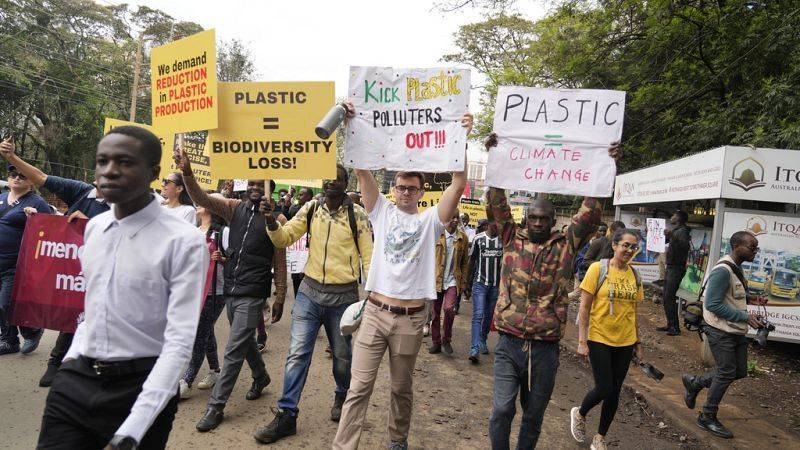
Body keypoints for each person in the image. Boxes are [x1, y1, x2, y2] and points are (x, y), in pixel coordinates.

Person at [37, 125, 209, 449]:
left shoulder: (184, 241)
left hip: (142, 387)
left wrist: (132, 430)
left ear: (153, 173)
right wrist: (69, 365)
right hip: (76, 382)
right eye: (103, 161)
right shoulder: (96, 228)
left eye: (125, 162)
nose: (109, 171)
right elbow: (93, 310)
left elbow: (178, 343)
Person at [332, 102, 473, 450]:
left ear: (422, 192)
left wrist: (462, 139)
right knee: (359, 388)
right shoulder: (380, 212)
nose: (405, 192)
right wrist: (353, 124)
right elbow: (362, 170)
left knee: (400, 388)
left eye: (412, 188)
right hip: (376, 313)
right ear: (393, 188)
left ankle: (398, 439)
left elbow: (458, 183)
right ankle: (342, 446)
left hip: (411, 319)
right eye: (400, 187)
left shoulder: (430, 222)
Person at [485, 132, 619, 449]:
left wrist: (605, 163)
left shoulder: (566, 246)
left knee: (533, 417)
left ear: (552, 220)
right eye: (533, 217)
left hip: (545, 348)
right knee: (502, 410)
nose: (539, 222)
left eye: (545, 218)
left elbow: (589, 215)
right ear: (526, 218)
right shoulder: (510, 237)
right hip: (509, 342)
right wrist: (495, 157)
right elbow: (496, 202)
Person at [253, 164, 374, 444]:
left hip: (343, 299)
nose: (332, 182)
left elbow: (369, 260)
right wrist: (272, 222)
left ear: (345, 184)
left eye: (338, 179)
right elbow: (284, 238)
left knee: (343, 360)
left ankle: (342, 395)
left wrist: (370, 297)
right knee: (297, 355)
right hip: (309, 294)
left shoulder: (359, 217)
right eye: (328, 177)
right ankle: (287, 415)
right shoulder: (310, 209)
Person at [175, 148, 288, 432]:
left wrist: (280, 295)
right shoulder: (233, 208)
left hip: (254, 292)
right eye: (250, 183)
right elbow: (201, 198)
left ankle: (216, 406)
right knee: (245, 341)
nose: (253, 188)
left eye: (259, 184)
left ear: (269, 190)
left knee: (234, 348)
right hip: (232, 289)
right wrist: (187, 172)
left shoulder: (277, 220)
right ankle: (261, 376)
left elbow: (280, 260)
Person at [0, 138, 109, 381]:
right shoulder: (80, 191)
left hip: (101, 270)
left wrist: (90, 225)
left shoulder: (121, 205)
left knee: (92, 315)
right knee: (72, 314)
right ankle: (56, 362)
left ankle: (83, 365)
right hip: (70, 267)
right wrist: (11, 157)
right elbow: (40, 177)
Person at [681, 231, 765, 439]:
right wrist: (744, 316)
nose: (755, 251)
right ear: (737, 246)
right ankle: (707, 416)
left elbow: (731, 295)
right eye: (751, 247)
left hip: (734, 330)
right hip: (720, 331)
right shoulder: (723, 270)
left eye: (756, 248)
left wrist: (753, 299)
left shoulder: (736, 268)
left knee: (739, 371)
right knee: (727, 371)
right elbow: (713, 304)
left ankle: (696, 383)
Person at [570, 229, 644, 450]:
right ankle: (580, 413)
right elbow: (584, 307)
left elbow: (634, 311)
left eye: (633, 246)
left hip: (625, 340)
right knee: (604, 387)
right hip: (599, 336)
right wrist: (582, 341)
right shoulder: (597, 269)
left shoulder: (635, 275)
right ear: (614, 245)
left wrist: (638, 343)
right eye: (626, 245)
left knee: (615, 390)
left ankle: (600, 437)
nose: (629, 250)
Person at [0, 157, 51, 356]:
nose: (17, 178)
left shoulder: (37, 202)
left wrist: (35, 220)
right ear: (8, 177)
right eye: (13, 174)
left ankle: (32, 330)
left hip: (17, 265)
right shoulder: (2, 197)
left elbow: (49, 233)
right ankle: (9, 341)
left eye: (23, 175)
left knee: (5, 304)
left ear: (31, 181)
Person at [179, 199, 229, 399]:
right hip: (194, 292)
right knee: (206, 331)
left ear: (211, 208)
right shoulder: (194, 230)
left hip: (215, 292)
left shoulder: (222, 233)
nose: (196, 204)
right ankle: (215, 371)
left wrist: (223, 259)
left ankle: (187, 380)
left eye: (202, 202)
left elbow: (234, 260)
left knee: (200, 333)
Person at [429, 213, 470, 355]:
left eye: (456, 218)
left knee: (449, 309)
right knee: (435, 313)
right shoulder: (436, 235)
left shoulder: (462, 238)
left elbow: (465, 262)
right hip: (436, 280)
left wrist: (464, 281)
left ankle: (446, 339)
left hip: (453, 280)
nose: (454, 220)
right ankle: (436, 342)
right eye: (451, 217)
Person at [465, 218, 503, 363]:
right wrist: (467, 284)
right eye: (494, 224)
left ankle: (482, 338)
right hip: (480, 284)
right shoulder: (478, 239)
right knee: (478, 314)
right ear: (488, 225)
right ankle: (474, 348)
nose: (496, 227)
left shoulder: (502, 241)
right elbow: (471, 260)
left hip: (495, 286)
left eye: (498, 225)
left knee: (488, 315)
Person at [658, 210, 690, 335]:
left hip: (676, 268)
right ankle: (670, 324)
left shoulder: (683, 231)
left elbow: (684, 245)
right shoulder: (676, 231)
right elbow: (664, 241)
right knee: (666, 297)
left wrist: (672, 235)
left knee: (669, 297)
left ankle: (675, 327)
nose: (671, 217)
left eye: (673, 215)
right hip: (671, 267)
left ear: (679, 218)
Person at [286, 187, 314, 297]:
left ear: (309, 197)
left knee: (305, 277)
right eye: (299, 194)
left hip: (308, 249)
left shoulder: (316, 210)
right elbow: (287, 219)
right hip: (296, 250)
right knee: (296, 276)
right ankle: (297, 297)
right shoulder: (294, 208)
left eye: (302, 194)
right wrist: (286, 205)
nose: (299, 197)